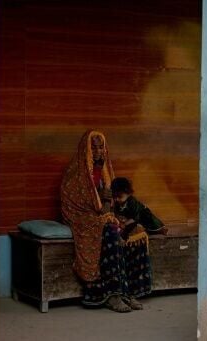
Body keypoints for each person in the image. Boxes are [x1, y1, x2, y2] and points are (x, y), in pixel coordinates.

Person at [60, 130, 152, 313]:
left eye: (101, 147)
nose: (98, 152)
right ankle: (112, 295)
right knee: (110, 232)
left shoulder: (105, 171)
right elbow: (74, 203)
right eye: (93, 148)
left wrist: (111, 204)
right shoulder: (75, 174)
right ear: (85, 151)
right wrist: (103, 204)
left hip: (103, 215)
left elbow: (112, 204)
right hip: (83, 217)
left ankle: (129, 292)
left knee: (136, 230)